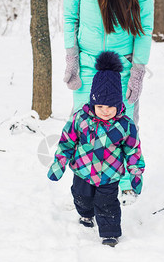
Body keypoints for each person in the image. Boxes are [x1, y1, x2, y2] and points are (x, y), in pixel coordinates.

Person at [62, 0, 153, 198]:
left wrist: (138, 71)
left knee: (123, 124)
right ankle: (85, 186)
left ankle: (124, 184)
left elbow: (144, 28)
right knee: (83, 124)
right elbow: (70, 17)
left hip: (122, 65)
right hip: (88, 65)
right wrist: (72, 57)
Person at [48, 51, 145, 247]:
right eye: (100, 106)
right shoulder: (80, 119)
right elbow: (67, 142)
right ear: (93, 102)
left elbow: (133, 151)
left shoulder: (125, 125)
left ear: (119, 104)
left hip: (109, 176)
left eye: (111, 106)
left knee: (107, 204)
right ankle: (85, 215)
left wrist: (135, 173)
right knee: (81, 197)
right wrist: (59, 163)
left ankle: (109, 233)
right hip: (82, 172)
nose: (105, 111)